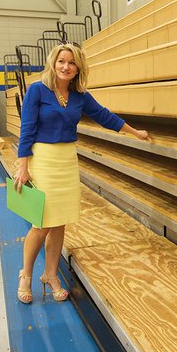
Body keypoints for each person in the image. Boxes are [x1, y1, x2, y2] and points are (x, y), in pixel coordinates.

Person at [13, 42, 151, 304]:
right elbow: (27, 129)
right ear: (53, 64)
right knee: (41, 223)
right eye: (62, 61)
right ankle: (25, 275)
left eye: (72, 62)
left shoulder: (80, 96)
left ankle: (51, 275)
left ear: (78, 68)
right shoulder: (37, 91)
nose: (66, 66)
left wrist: (134, 132)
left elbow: (104, 116)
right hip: (43, 159)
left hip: (67, 159)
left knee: (59, 221)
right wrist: (23, 167)